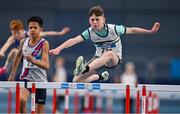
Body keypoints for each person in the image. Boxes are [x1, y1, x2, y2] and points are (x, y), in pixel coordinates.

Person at [50, 5, 160, 83]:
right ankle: (99, 77)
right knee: (76, 81)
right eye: (92, 20)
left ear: (104, 19)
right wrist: (59, 48)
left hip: (114, 59)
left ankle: (85, 69)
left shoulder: (114, 29)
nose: (95, 22)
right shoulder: (90, 31)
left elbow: (132, 30)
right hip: (97, 59)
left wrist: (149, 31)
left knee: (109, 54)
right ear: (89, 20)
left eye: (97, 19)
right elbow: (74, 40)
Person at [8, 16, 49, 113]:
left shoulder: (44, 43)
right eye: (30, 28)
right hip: (26, 78)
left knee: (39, 112)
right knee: (21, 103)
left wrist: (33, 61)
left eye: (35, 28)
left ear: (40, 29)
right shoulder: (23, 42)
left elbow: (46, 65)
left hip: (40, 81)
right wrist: (13, 73)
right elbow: (18, 56)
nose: (32, 30)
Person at [0, 19, 70, 75]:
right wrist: (1, 52)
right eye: (14, 33)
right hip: (22, 57)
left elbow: (46, 33)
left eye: (18, 33)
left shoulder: (29, 33)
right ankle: (5, 67)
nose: (16, 35)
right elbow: (5, 46)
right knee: (14, 51)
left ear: (22, 30)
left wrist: (59, 33)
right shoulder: (12, 38)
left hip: (33, 56)